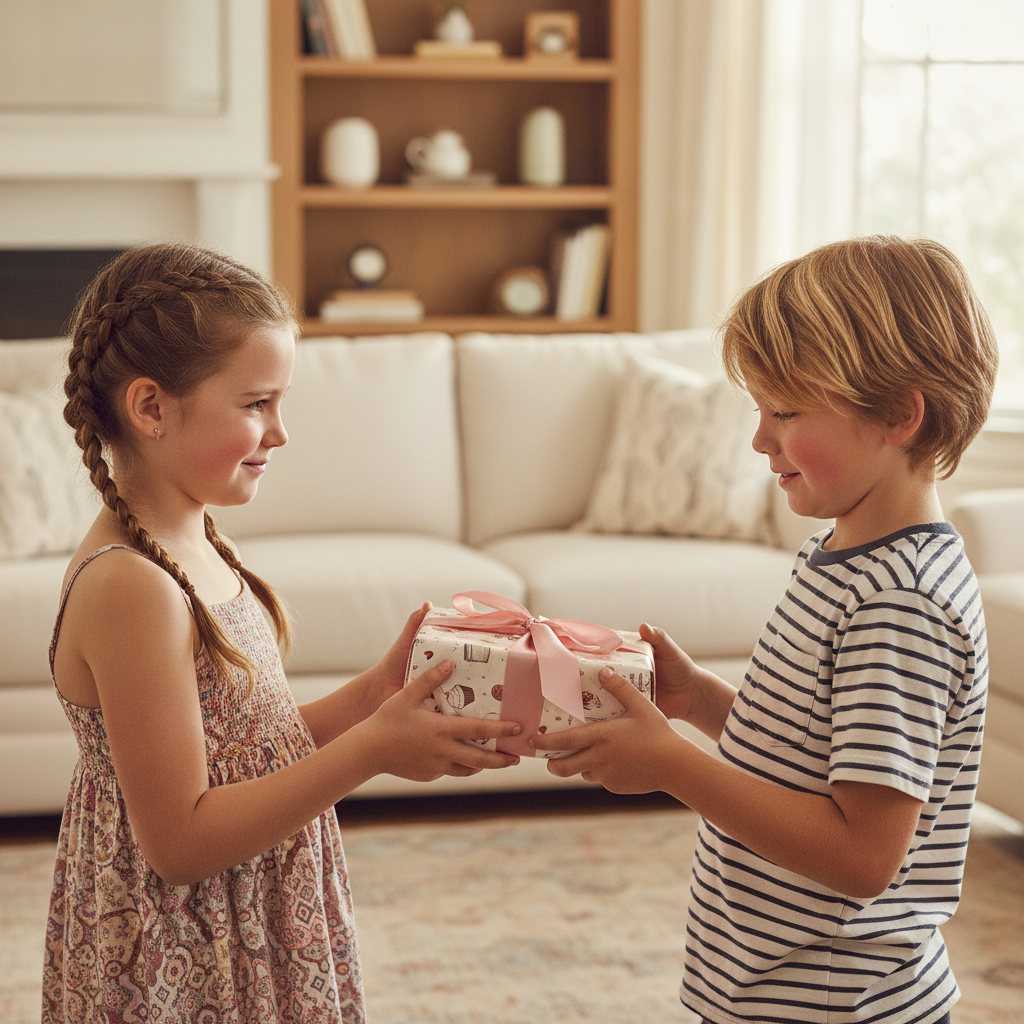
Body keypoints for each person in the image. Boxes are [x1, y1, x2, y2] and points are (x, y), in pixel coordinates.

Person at [42, 242, 522, 1023]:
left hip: (247, 910)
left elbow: (245, 754)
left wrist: (375, 697)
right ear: (151, 408)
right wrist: (371, 752)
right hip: (191, 946)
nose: (280, 432)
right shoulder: (131, 586)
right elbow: (181, 843)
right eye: (256, 403)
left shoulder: (191, 540)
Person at [534, 235, 997, 1024]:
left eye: (783, 411)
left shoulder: (902, 605)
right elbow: (816, 753)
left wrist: (670, 765)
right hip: (769, 982)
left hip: (837, 1001)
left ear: (898, 413)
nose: (758, 439)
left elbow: (861, 857)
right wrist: (705, 702)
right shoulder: (841, 553)